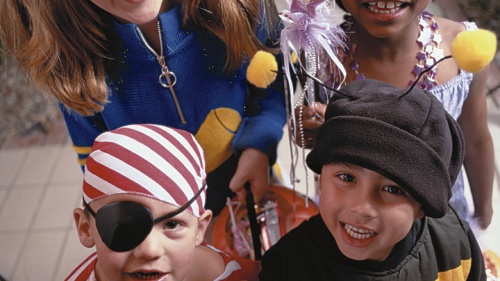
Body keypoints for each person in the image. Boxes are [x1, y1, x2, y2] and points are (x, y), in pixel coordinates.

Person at [0, 0, 286, 216]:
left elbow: (274, 83)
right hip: (162, 223)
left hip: (254, 188)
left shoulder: (241, 7)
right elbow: (98, 166)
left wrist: (259, 145)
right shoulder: (71, 63)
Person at [259, 79, 486, 280]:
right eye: (347, 177)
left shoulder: (452, 246)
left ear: (422, 206)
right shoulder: (288, 267)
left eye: (393, 189)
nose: (361, 207)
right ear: (321, 177)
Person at [295, 0, 494, 229]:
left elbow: (475, 143)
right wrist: (309, 129)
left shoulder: (464, 48)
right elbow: (323, 141)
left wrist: (482, 214)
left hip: (437, 226)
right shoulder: (318, 55)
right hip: (354, 222)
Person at [65, 124, 243, 281]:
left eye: (172, 224)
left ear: (200, 229)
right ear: (85, 229)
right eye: (124, 225)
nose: (150, 250)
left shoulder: (220, 273)